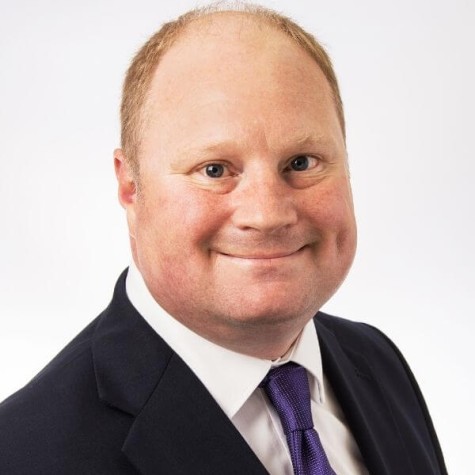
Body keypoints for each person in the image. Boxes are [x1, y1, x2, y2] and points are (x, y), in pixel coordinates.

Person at [0, 3, 447, 474]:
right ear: (130, 186)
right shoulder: (23, 455)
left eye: (301, 163)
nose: (267, 214)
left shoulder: (377, 362)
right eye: (214, 170)